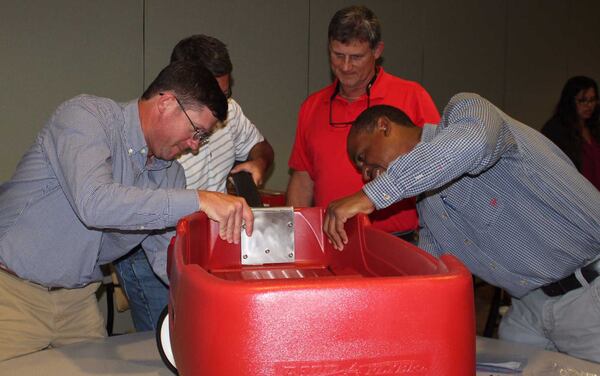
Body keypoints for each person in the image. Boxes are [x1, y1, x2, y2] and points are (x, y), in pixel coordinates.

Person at [0, 60, 254, 361]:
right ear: (167, 102)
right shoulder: (85, 118)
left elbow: (166, 259)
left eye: (201, 137)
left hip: (77, 302)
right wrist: (199, 199)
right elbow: (95, 204)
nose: (194, 146)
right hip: (11, 295)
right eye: (195, 131)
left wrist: (218, 302)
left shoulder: (170, 175)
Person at [323, 94, 600, 363]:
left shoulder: (465, 111)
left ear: (384, 126)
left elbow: (474, 144)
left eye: (362, 157)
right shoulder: (429, 208)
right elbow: (431, 276)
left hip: (590, 292)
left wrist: (371, 195)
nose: (364, 173)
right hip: (529, 306)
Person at [114, 34, 275, 332]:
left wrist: (257, 163)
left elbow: (262, 147)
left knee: (205, 335)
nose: (219, 106)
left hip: (205, 246)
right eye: (212, 95)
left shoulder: (230, 111)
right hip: (152, 249)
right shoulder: (158, 136)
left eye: (224, 94)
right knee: (163, 345)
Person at [287, 5, 440, 241]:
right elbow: (302, 179)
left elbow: (439, 164)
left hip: (398, 239)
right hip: (332, 239)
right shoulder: (312, 107)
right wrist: (293, 236)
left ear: (377, 51)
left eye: (356, 57)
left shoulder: (412, 96)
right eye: (338, 55)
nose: (345, 67)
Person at [542, 76, 600, 190]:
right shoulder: (556, 130)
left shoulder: (595, 128)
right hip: (575, 196)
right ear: (570, 101)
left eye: (592, 100)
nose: (589, 105)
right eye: (582, 100)